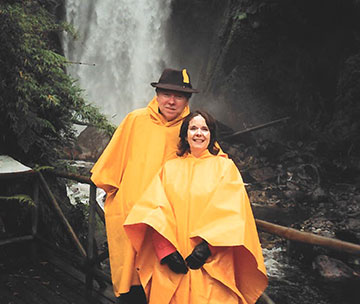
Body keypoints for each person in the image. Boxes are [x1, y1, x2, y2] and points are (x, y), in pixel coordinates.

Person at [124, 110, 268, 303]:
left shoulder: (226, 168)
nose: (198, 133)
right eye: (193, 128)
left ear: (211, 135)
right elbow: (153, 210)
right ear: (185, 135)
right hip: (174, 262)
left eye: (204, 129)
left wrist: (207, 249)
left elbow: (233, 214)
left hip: (212, 261)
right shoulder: (169, 168)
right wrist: (165, 250)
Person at [90, 68, 199, 303]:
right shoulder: (135, 120)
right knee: (132, 289)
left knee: (165, 289)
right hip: (130, 220)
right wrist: (120, 201)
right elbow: (108, 167)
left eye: (179, 96)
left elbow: (212, 168)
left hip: (169, 228)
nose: (171, 101)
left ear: (187, 100)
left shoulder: (194, 129)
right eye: (166, 93)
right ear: (157, 94)